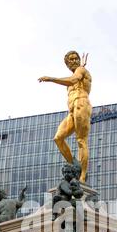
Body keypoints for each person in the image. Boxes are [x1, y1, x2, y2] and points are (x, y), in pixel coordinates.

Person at [39, 51, 92, 183]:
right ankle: (75, 165)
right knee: (58, 138)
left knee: (81, 140)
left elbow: (74, 79)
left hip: (81, 104)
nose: (74, 61)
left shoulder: (80, 71)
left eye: (76, 59)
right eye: (71, 60)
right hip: (72, 111)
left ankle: (83, 177)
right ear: (67, 64)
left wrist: (50, 78)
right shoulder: (75, 76)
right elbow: (73, 80)